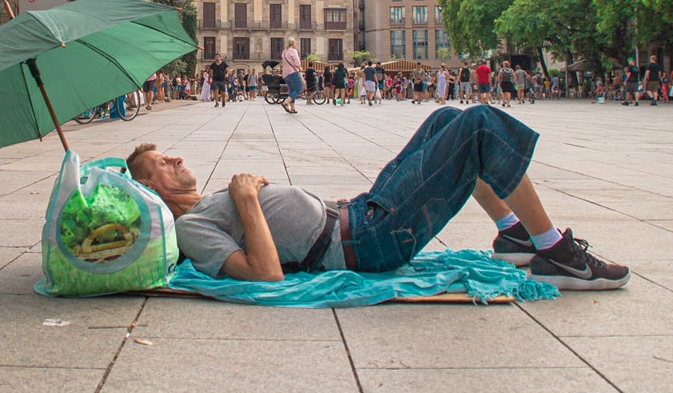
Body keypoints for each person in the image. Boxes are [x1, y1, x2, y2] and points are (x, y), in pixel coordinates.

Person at [127, 105, 631, 291]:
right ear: (150, 189)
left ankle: (510, 233)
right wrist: (245, 198)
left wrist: (246, 196)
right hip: (368, 243)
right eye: (161, 165)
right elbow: (265, 275)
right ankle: (556, 254)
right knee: (478, 125)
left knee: (444, 120)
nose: (174, 160)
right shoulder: (191, 230)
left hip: (362, 211)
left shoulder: (205, 206)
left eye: (168, 156)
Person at [280, 38, 303, 114]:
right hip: (292, 72)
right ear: (293, 44)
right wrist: (300, 68)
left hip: (285, 74)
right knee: (298, 89)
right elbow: (297, 62)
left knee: (292, 90)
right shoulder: (293, 51)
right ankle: (286, 103)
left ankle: (292, 108)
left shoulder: (284, 52)